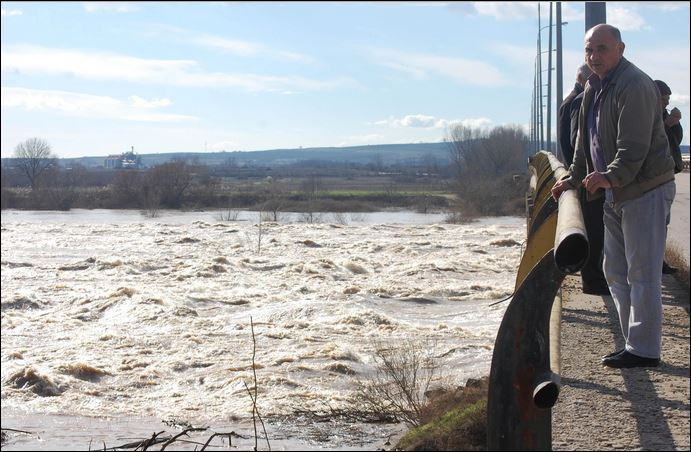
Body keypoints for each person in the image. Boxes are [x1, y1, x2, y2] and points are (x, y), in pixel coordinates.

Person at [551, 24, 676, 369]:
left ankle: (645, 349)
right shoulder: (593, 86)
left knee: (642, 272)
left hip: (644, 189)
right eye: (589, 50)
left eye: (602, 49)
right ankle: (633, 342)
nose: (594, 57)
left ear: (620, 48)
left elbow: (633, 147)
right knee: (615, 270)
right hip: (616, 191)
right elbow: (584, 144)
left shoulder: (634, 85)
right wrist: (573, 179)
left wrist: (609, 176)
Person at [557, 63, 610, 296]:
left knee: (597, 230)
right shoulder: (581, 100)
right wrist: (577, 175)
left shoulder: (572, 99)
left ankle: (596, 278)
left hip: (585, 176)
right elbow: (577, 142)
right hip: (589, 179)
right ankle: (594, 280)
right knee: (595, 231)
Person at [654, 80, 684, 274]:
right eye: (663, 99)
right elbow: (653, 141)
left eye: (668, 100)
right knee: (654, 224)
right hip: (654, 178)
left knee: (663, 224)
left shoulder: (662, 115)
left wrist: (675, 124)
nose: (666, 103)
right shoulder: (649, 115)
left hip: (666, 175)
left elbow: (675, 141)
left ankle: (660, 261)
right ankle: (654, 262)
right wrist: (666, 124)